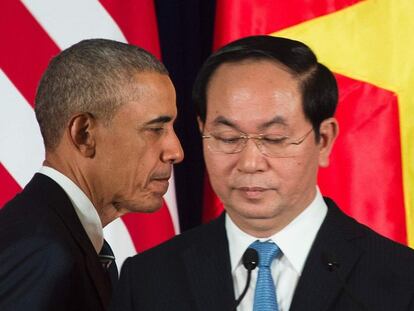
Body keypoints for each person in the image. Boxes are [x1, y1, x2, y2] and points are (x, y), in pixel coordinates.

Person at [111, 35, 414, 311]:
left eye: (274, 139)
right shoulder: (148, 279)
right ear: (202, 131)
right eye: (228, 138)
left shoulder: (401, 278)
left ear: (323, 140)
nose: (250, 162)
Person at [0, 39, 183, 311]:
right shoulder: (43, 254)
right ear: (84, 134)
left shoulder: (61, 238)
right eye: (155, 129)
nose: (175, 151)